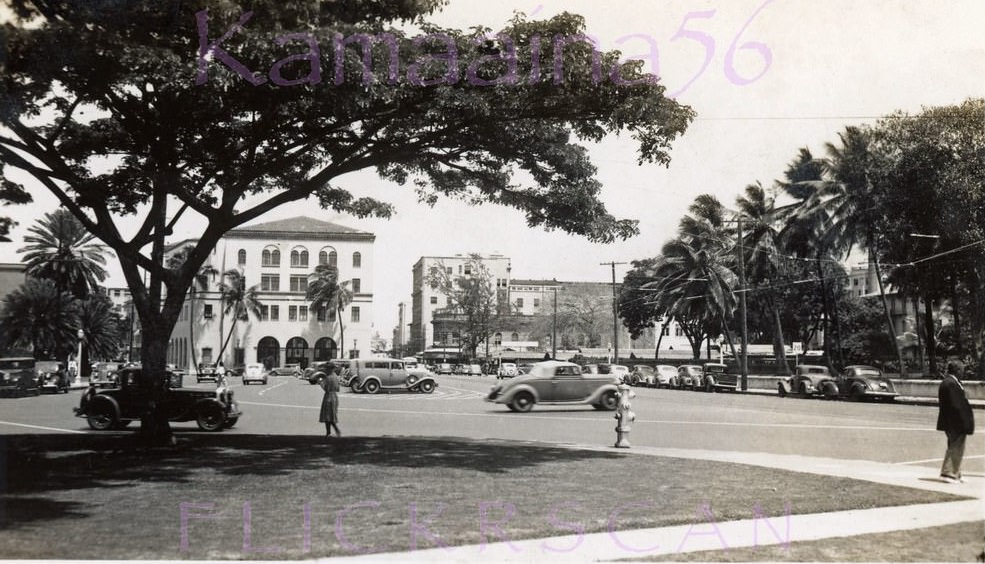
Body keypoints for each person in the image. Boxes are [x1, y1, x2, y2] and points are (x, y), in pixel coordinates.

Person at [937, 360, 975, 483]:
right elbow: (956, 405)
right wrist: (965, 422)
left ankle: (955, 472)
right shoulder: (951, 383)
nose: (963, 372)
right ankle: (948, 472)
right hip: (955, 422)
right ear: (957, 370)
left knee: (955, 446)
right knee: (956, 446)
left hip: (951, 421)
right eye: (962, 370)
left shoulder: (950, 382)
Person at [318, 363, 342, 438]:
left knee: (327, 415)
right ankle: (332, 431)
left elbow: (326, 388)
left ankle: (330, 432)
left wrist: (320, 382)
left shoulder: (328, 378)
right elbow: (338, 388)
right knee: (332, 414)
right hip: (334, 396)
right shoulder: (336, 377)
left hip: (328, 396)